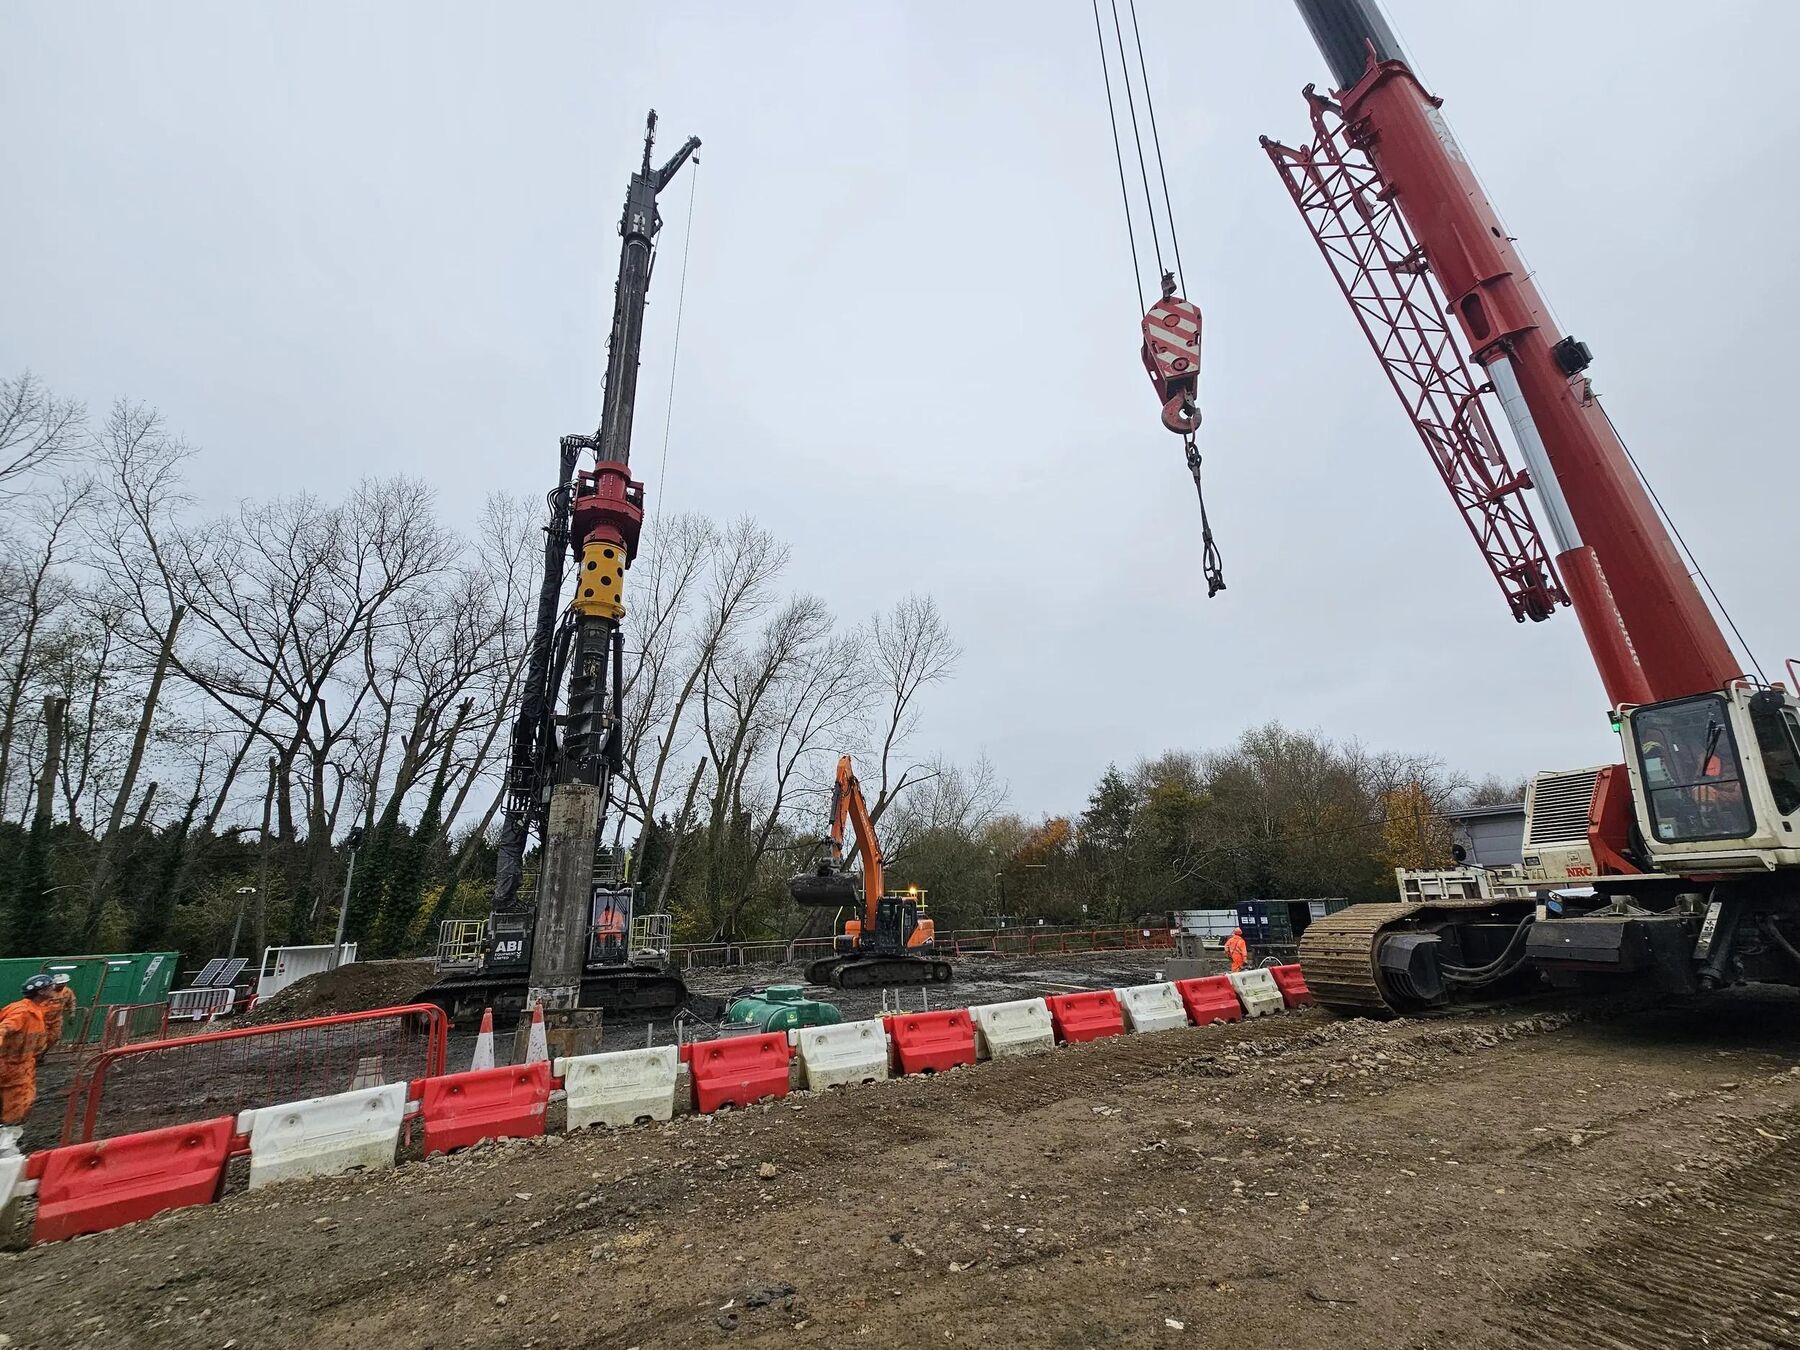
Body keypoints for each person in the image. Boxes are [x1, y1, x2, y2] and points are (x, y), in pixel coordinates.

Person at [1, 975, 58, 1129]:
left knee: (21, 1104)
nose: (54, 989)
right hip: (10, 1068)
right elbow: (4, 1028)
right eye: (50, 987)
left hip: (24, 1066)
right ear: (41, 991)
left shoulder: (37, 1010)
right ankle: (6, 1141)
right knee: (15, 1108)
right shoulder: (22, 1011)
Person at [37, 973, 76, 1064]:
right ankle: (35, 1056)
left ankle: (42, 1055)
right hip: (42, 1019)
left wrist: (72, 1014)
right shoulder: (47, 992)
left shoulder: (67, 992)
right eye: (60, 983)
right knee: (40, 1039)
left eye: (64, 983)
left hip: (56, 1019)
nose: (62, 985)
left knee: (54, 1037)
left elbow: (72, 1002)